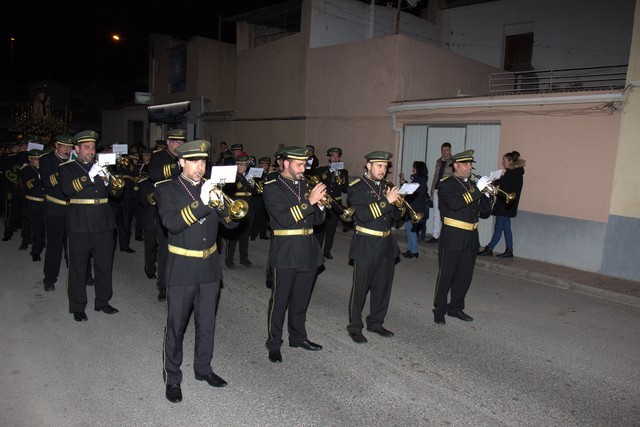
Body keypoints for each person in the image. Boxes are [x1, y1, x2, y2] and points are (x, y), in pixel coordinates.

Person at [155, 139, 239, 403]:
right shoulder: (166, 189)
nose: (200, 167)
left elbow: (233, 225)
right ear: (181, 162)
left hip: (209, 266)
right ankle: (173, 377)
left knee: (207, 323)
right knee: (176, 326)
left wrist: (227, 206)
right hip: (182, 267)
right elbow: (172, 223)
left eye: (203, 162)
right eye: (194, 162)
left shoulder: (210, 187)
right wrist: (204, 203)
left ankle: (203, 369)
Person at [261, 146, 326, 363]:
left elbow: (317, 221)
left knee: (301, 299)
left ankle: (298, 337)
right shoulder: (272, 186)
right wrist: (310, 202)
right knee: (280, 300)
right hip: (286, 248)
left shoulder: (306, 185)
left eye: (305, 165)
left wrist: (321, 204)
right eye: (299, 165)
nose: (303, 169)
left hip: (307, 248)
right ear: (286, 163)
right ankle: (274, 343)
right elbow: (284, 218)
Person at [58, 130, 122, 322]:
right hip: (79, 223)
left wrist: (110, 181)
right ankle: (78, 306)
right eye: (86, 148)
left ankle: (103, 301)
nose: (91, 151)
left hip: (103, 222)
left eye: (93, 147)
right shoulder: (67, 168)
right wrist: (89, 176)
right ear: (76, 149)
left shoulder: (101, 167)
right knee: (78, 267)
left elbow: (116, 194)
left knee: (104, 265)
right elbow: (67, 190)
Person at [346, 151, 403, 343]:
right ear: (368, 166)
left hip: (386, 244)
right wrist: (387, 201)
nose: (383, 170)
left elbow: (395, 217)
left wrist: (400, 206)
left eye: (385, 167)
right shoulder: (357, 187)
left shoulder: (387, 187)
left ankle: (376, 322)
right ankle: (355, 326)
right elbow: (362, 215)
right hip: (366, 244)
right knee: (360, 289)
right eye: (379, 166)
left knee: (382, 288)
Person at [432, 149, 492, 325]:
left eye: (470, 164)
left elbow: (485, 212)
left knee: (464, 276)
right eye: (465, 164)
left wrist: (486, 194)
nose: (469, 167)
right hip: (453, 236)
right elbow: (455, 204)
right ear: (456, 165)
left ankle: (456, 307)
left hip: (471, 237)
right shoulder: (446, 184)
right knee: (446, 275)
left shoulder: (472, 185)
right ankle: (439, 309)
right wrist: (477, 191)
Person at [148, 128, 187, 302]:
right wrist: (177, 165)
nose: (179, 146)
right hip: (166, 207)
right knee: (165, 248)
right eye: (175, 143)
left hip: (184, 206)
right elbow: (154, 174)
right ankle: (162, 284)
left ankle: (181, 281)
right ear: (168, 143)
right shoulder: (159, 157)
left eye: (181, 143)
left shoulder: (187, 156)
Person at [40, 134, 74, 291]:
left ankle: (83, 275)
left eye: (69, 147)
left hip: (73, 208)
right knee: (54, 245)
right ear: (56, 146)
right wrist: (65, 168)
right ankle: (49, 278)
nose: (67, 150)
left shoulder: (74, 160)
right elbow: (47, 182)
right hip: (55, 208)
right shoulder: (47, 160)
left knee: (77, 245)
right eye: (64, 147)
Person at [477, 151, 526, 258]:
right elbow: (504, 182)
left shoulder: (511, 173)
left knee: (498, 227)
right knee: (506, 228)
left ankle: (489, 248)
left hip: (505, 205)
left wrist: (493, 187)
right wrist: (495, 182)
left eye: (504, 161)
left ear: (510, 161)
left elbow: (505, 189)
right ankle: (509, 250)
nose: (502, 163)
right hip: (509, 206)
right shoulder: (515, 172)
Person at [222, 152, 258, 268]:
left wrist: (252, 182)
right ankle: (229, 259)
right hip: (237, 205)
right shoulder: (232, 176)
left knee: (245, 234)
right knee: (234, 234)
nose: (244, 167)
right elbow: (231, 190)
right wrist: (245, 180)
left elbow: (255, 191)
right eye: (241, 165)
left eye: (245, 165)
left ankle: (244, 258)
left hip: (249, 205)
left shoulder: (248, 176)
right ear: (236, 165)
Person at [314, 147, 349, 260]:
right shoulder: (322, 170)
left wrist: (341, 178)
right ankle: (317, 251)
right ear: (329, 157)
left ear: (339, 158)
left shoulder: (344, 171)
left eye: (337, 156)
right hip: (323, 202)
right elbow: (318, 180)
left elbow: (345, 189)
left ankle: (327, 251)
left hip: (336, 204)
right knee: (320, 229)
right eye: (333, 155)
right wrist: (330, 171)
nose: (335, 157)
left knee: (331, 229)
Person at [18, 149, 45, 261]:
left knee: (41, 226)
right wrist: (39, 177)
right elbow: (28, 185)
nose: (38, 161)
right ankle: (34, 250)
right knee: (32, 225)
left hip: (45, 201)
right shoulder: (25, 170)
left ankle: (39, 244)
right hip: (32, 201)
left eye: (40, 159)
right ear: (30, 159)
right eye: (36, 159)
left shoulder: (44, 168)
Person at [398, 161, 429, 258]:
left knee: (411, 230)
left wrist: (404, 184)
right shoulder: (418, 180)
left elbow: (411, 190)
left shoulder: (420, 180)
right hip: (412, 208)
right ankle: (410, 249)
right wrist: (404, 182)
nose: (412, 169)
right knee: (409, 229)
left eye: (414, 168)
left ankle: (414, 250)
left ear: (418, 169)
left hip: (416, 209)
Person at [426, 142, 453, 243]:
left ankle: (446, 236)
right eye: (442, 150)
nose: (444, 152)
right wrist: (432, 191)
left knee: (446, 213)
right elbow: (435, 176)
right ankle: (435, 235)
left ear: (450, 151)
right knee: (436, 213)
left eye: (446, 150)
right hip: (437, 189)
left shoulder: (453, 161)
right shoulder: (438, 161)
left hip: (446, 191)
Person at [249, 156, 271, 241]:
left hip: (265, 198)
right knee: (256, 217)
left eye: (266, 165)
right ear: (260, 164)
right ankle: (253, 234)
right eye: (263, 164)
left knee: (264, 217)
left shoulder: (269, 174)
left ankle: (263, 234)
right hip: (257, 198)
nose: (264, 166)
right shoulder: (256, 173)